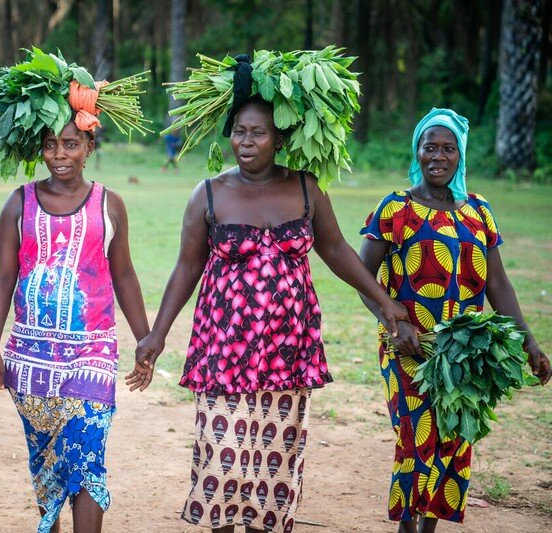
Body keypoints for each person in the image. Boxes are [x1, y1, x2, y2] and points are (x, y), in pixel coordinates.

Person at [130, 54, 408, 533]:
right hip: (225, 348)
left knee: (273, 467)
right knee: (222, 463)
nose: (245, 141)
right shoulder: (209, 194)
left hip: (287, 349)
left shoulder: (305, 189)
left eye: (257, 132)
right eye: (239, 131)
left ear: (279, 137)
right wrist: (156, 335)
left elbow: (338, 250)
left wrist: (384, 302)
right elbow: (187, 267)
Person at [358, 108, 551, 533]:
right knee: (414, 437)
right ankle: (407, 528)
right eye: (430, 147)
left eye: (448, 149)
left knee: (454, 440)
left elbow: (498, 285)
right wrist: (395, 323)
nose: (438, 156)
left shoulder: (479, 212)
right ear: (418, 152)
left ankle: (429, 529)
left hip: (465, 351)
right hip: (408, 347)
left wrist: (529, 343)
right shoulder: (394, 209)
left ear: (460, 155)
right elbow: (362, 280)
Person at [0, 72, 151, 532]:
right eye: (51, 145)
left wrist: (145, 337)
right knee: (48, 465)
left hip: (91, 351)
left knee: (88, 459)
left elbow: (125, 274)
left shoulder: (110, 204)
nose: (60, 155)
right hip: (28, 357)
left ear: (90, 145)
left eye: (71, 144)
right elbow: (1, 278)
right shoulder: (19, 203)